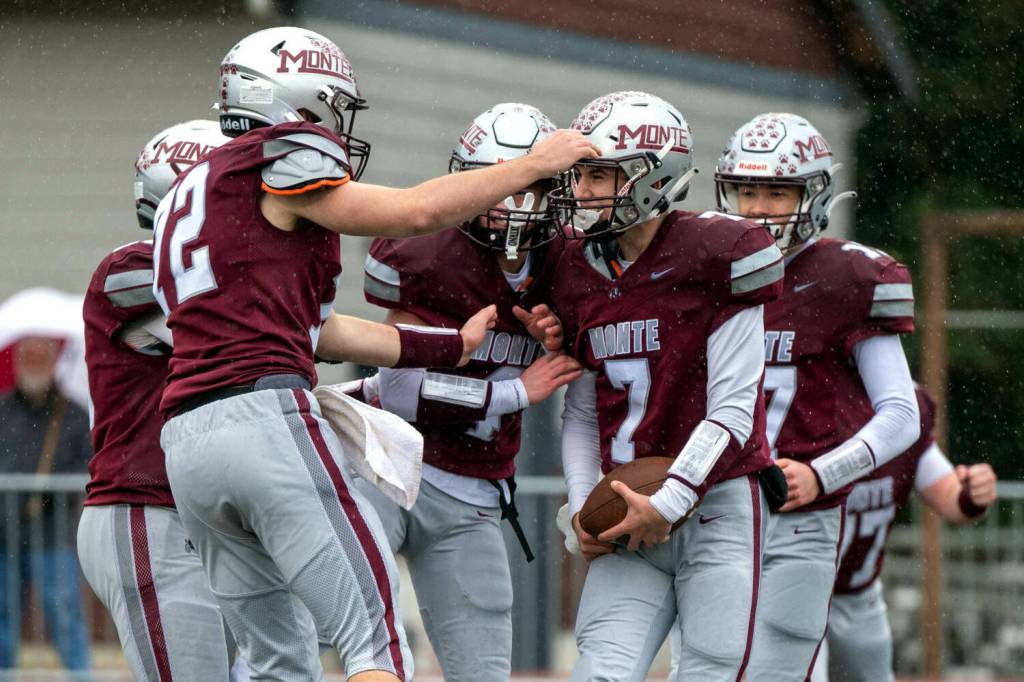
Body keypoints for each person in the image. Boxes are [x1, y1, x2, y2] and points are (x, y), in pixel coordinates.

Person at [152, 26, 597, 681]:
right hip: (264, 417)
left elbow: (325, 334)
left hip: (187, 441)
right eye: (326, 109)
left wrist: (453, 344)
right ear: (293, 104)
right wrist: (529, 166)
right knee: (374, 647)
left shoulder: (193, 191)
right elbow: (410, 212)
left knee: (277, 662)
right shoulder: (278, 152)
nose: (333, 129)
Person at [535, 90, 784, 681]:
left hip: (717, 497)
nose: (585, 191)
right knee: (599, 671)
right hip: (627, 503)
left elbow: (732, 409)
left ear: (655, 175)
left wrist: (668, 503)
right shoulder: (573, 265)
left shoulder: (720, 251)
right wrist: (582, 509)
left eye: (601, 174)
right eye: (582, 175)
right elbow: (582, 411)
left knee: (711, 670)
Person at [357, 102, 582, 681]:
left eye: (531, 188)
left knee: (482, 668)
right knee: (351, 646)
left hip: (475, 489)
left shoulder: (568, 261)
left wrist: (563, 337)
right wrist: (516, 394)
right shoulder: (427, 251)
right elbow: (402, 389)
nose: (510, 204)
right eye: (499, 185)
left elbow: (586, 366)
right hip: (383, 467)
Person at [714, 112, 920, 680]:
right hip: (715, 509)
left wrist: (824, 473)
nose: (756, 208)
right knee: (708, 665)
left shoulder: (848, 277)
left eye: (777, 192)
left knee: (778, 670)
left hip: (796, 510)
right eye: (747, 189)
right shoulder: (705, 267)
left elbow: (900, 415)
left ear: (816, 193)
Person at [77, 120, 254, 680]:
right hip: (147, 509)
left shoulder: (231, 282)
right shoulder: (130, 268)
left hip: (209, 519)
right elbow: (245, 343)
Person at [811, 386, 997, 682]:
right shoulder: (811, 393)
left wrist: (974, 494)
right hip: (799, 587)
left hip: (858, 596)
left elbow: (952, 497)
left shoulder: (905, 405)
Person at [0, 336, 92, 671]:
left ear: (54, 363)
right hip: (4, 534)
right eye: (28, 356)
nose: (34, 363)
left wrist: (48, 491)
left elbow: (86, 466)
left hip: (54, 534)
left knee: (64, 612)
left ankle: (80, 675)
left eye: (42, 357)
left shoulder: (72, 414)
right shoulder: (3, 410)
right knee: (3, 615)